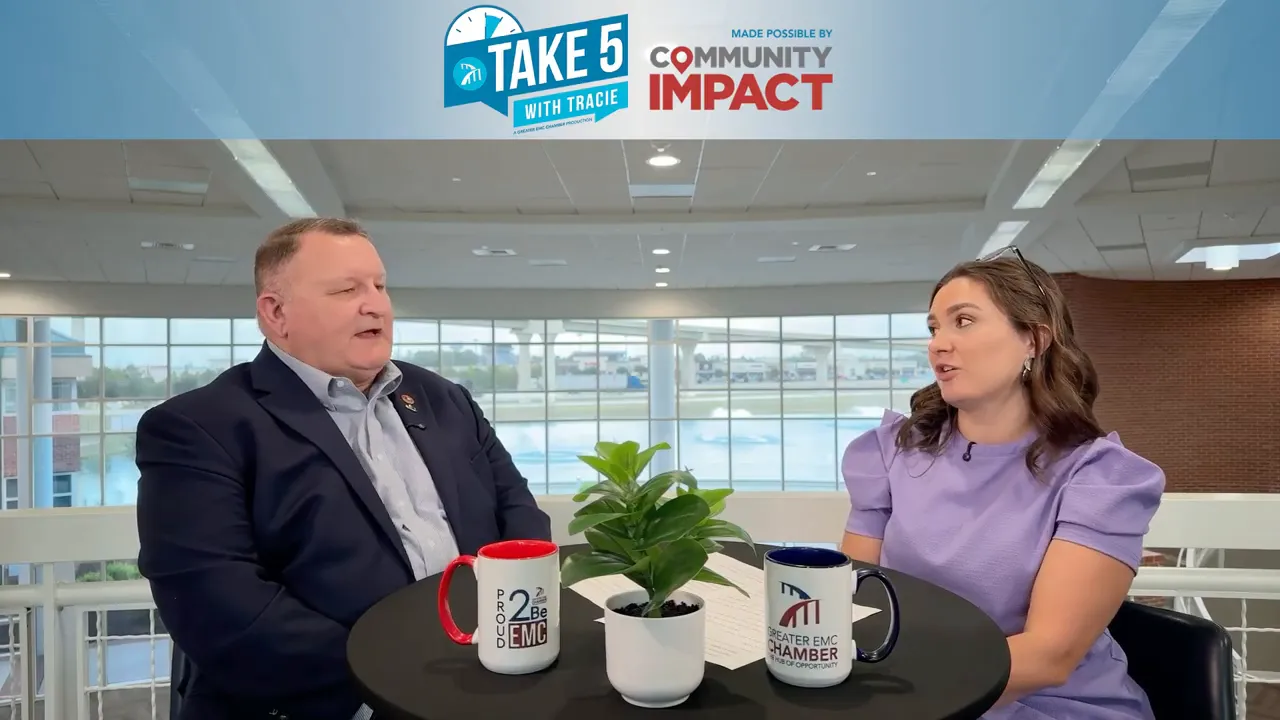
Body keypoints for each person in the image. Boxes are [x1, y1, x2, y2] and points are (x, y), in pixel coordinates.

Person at [135, 218, 551, 720]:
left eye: (379, 285)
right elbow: (223, 612)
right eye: (346, 289)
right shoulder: (199, 428)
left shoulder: (445, 400)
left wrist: (510, 640)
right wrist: (399, 674)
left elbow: (520, 517)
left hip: (484, 683)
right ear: (276, 314)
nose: (375, 303)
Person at [840, 246, 1164, 719]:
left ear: (1034, 339)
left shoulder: (1100, 478)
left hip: (1044, 704)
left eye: (963, 321)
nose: (938, 343)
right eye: (934, 327)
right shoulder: (889, 452)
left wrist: (904, 699)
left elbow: (1047, 658)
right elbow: (854, 600)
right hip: (902, 688)